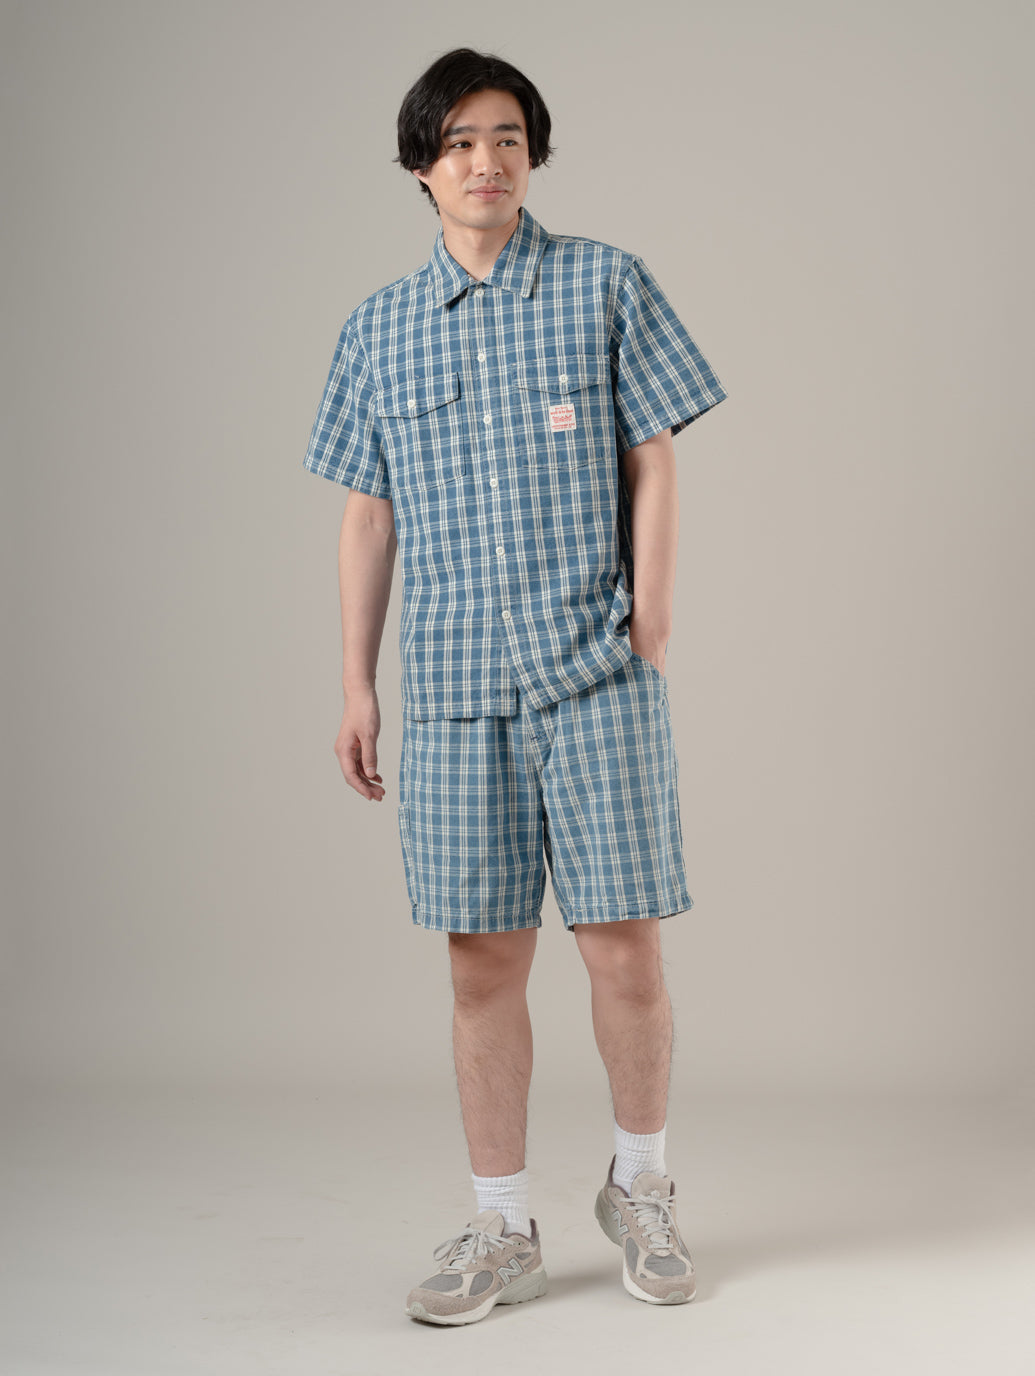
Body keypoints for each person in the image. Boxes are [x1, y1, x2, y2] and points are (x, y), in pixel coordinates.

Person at [302, 47, 727, 1325]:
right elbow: (367, 515)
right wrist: (356, 683)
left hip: (596, 674)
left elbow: (654, 453)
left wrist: (652, 620)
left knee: (624, 948)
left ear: (531, 154)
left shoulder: (605, 282)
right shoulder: (377, 328)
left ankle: (642, 1188)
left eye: (506, 138)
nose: (485, 161)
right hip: (453, 690)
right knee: (481, 964)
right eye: (458, 142)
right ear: (420, 166)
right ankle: (502, 1225)